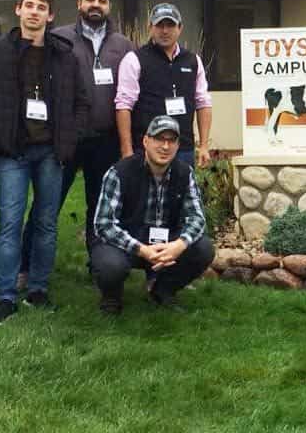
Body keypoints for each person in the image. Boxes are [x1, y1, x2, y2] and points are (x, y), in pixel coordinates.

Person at [0, 0, 89, 326]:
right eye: (29, 6)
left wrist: (68, 141)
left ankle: (38, 289)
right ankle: (5, 297)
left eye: (42, 8)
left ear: (51, 16)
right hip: (14, 152)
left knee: (46, 224)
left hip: (51, 153)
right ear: (18, 11)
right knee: (9, 223)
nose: (35, 12)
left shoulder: (64, 56)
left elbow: (81, 103)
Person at [23, 0, 135, 270]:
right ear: (79, 3)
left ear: (109, 6)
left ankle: (100, 265)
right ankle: (25, 265)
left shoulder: (122, 45)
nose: (95, 5)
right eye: (90, 0)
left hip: (106, 139)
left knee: (100, 207)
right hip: (67, 137)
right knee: (48, 204)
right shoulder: (58, 38)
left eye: (102, 0)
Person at [91, 116, 215, 314]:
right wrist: (142, 250)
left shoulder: (185, 173)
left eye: (171, 140)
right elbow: (104, 224)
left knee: (203, 249)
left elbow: (198, 218)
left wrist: (178, 245)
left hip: (166, 243)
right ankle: (111, 298)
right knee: (110, 265)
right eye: (159, 139)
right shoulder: (119, 172)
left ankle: (162, 291)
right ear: (146, 141)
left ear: (177, 145)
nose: (165, 146)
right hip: (128, 243)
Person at [114, 3, 212, 168]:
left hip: (183, 149)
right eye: (159, 25)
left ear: (180, 28)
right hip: (145, 149)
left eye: (170, 25)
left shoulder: (193, 61)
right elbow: (123, 106)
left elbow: (203, 103)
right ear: (150, 27)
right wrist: (127, 151)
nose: (165, 31)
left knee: (182, 194)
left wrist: (203, 146)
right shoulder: (134, 59)